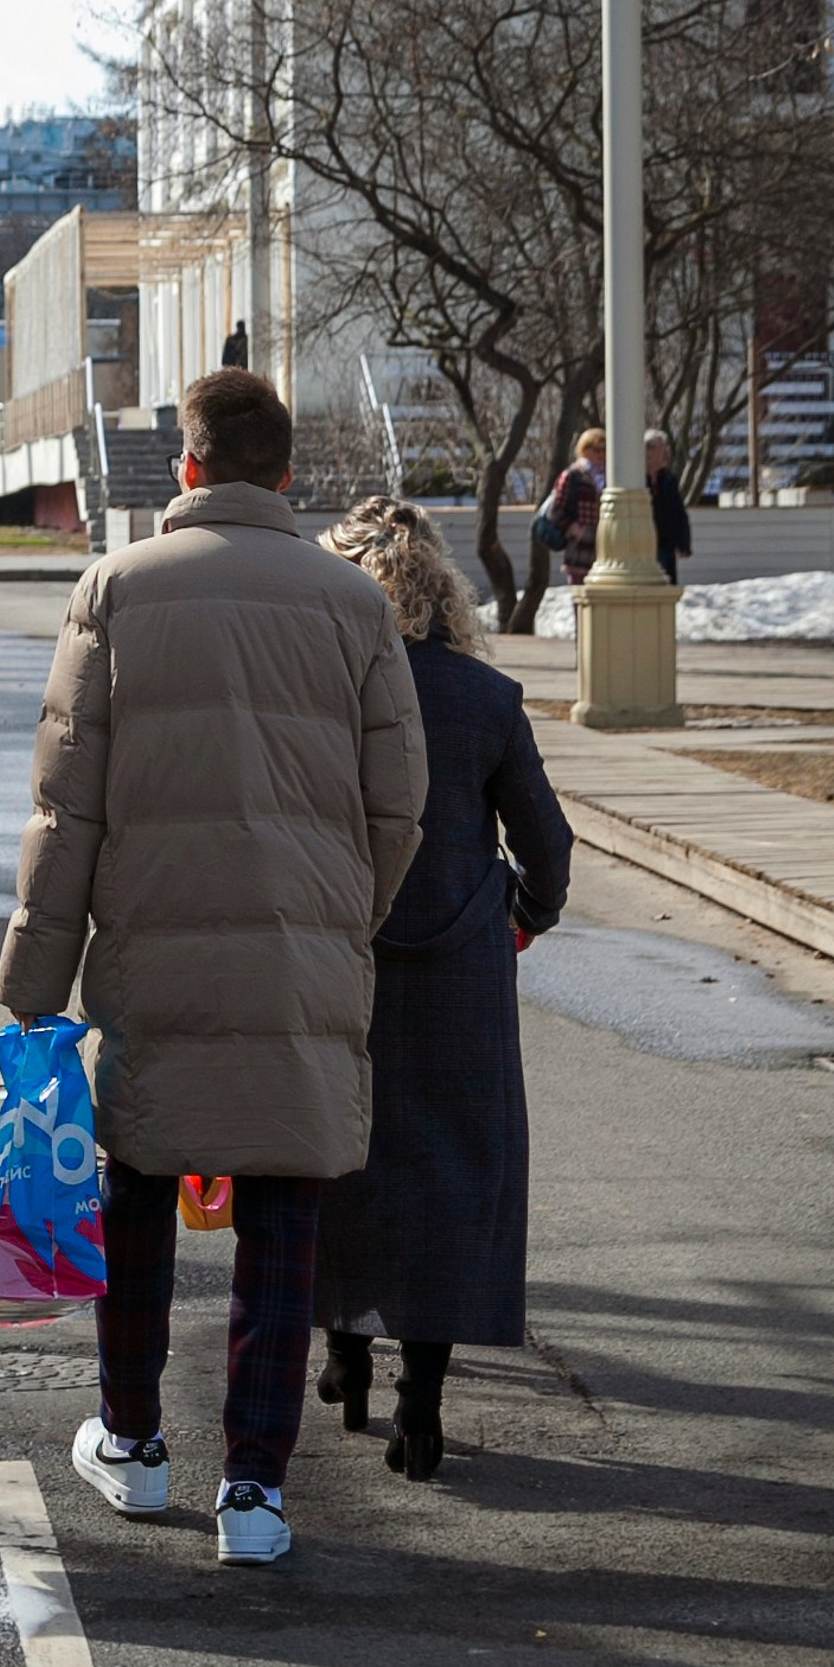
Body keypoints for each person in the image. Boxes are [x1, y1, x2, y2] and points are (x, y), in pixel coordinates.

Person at [0, 369, 427, 1566]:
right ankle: (253, 1491)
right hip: (301, 963)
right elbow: (400, 809)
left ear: (186, 468)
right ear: (285, 474)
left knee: (134, 1192)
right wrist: (342, 916)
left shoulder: (115, 589)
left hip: (152, 956)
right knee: (282, 1220)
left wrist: (33, 986)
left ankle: (131, 1442)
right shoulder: (352, 604)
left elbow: (64, 806)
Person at [312, 498, 572, 1480]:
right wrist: (522, 920)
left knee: (344, 1157)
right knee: (451, 1178)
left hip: (350, 954)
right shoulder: (487, 700)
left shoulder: (333, 693)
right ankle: (422, 1405)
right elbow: (544, 845)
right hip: (465, 967)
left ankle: (344, 1355)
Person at [548, 428, 607, 586]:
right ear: (585, 450)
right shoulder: (572, 475)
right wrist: (573, 528)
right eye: (596, 449)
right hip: (579, 551)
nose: (601, 454)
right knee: (581, 604)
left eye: (605, 450)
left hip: (605, 549)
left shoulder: (610, 476)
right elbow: (556, 511)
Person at [648, 429, 693, 586]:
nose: (666, 453)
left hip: (666, 545)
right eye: (661, 448)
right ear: (648, 451)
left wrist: (684, 543)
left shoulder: (668, 479)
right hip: (644, 544)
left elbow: (679, 512)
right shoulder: (636, 479)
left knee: (667, 586)